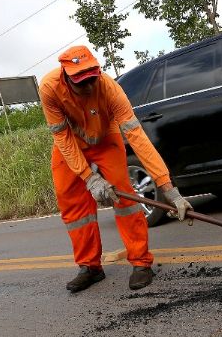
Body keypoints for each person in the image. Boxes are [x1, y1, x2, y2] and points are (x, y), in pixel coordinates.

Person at [39, 45, 192, 292]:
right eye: (81, 83)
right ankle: (90, 267)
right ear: (66, 77)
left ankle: (141, 263)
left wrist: (169, 190)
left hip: (105, 138)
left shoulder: (110, 88)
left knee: (125, 198)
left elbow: (137, 137)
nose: (89, 87)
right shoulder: (49, 88)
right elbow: (62, 137)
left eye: (92, 79)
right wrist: (90, 178)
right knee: (73, 205)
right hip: (71, 144)